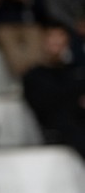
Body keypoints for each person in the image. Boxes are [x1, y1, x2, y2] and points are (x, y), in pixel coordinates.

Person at [22, 21, 85, 160]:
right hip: (59, 127)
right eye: (51, 36)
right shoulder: (34, 74)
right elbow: (46, 106)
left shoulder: (75, 70)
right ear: (43, 40)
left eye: (60, 36)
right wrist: (75, 100)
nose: (56, 41)